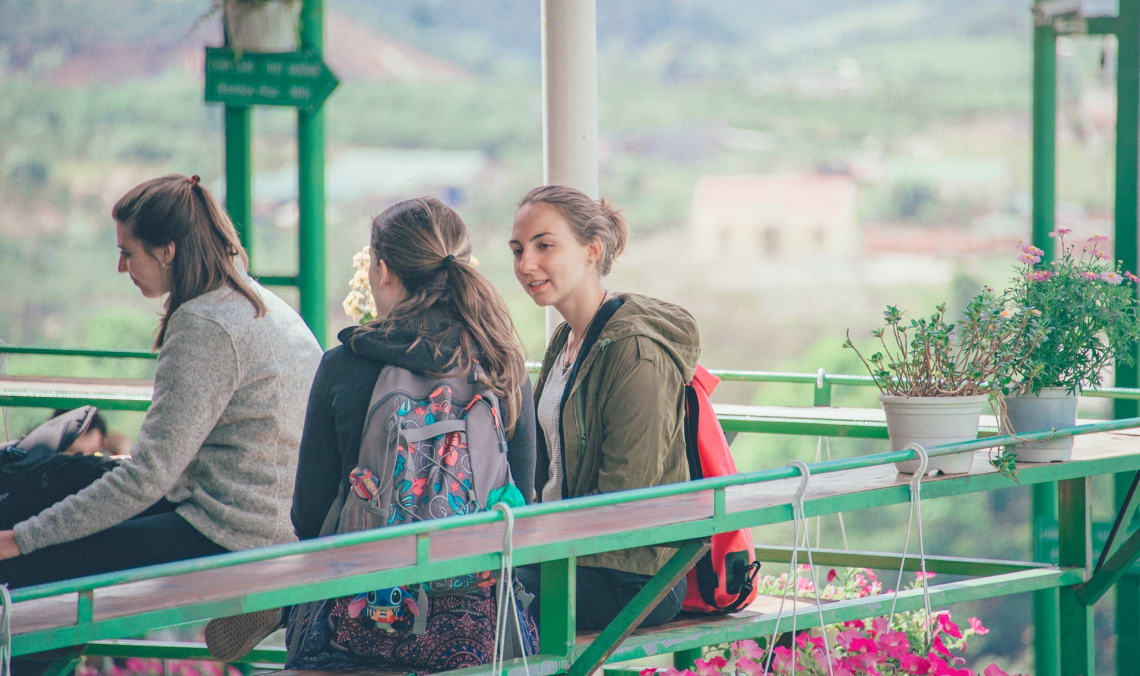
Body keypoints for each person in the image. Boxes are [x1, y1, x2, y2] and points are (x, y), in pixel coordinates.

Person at [209, 197, 538, 671]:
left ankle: (288, 603)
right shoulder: (503, 364)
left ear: (383, 271)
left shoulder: (345, 366)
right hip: (476, 633)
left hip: (356, 630)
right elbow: (520, 498)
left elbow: (310, 514)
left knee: (321, 570)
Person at [0, 174, 323, 586]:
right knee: (63, 480)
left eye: (127, 252)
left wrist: (21, 540)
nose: (121, 268)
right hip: (272, 518)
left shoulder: (205, 323)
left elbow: (148, 476)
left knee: (27, 567)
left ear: (167, 251)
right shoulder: (249, 297)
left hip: (234, 534)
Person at [508, 185, 699, 630]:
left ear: (592, 249)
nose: (526, 264)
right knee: (452, 592)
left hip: (633, 574)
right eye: (518, 250)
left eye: (544, 246)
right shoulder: (566, 340)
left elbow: (626, 496)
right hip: (567, 555)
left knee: (468, 609)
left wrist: (533, 536)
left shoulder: (634, 351)